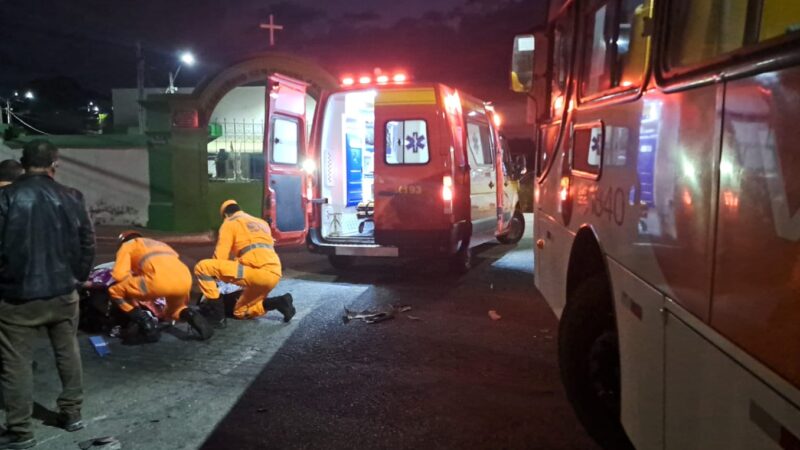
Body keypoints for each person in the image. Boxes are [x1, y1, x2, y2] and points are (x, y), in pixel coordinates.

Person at [0, 139, 95, 449]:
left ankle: (21, 430)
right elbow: (87, 244)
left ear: (24, 163)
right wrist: (76, 279)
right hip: (64, 293)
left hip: (17, 296)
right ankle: (72, 414)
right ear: (55, 163)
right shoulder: (72, 197)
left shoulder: (7, 198)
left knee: (16, 363)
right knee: (68, 352)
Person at [194, 200, 294, 327]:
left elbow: (220, 257)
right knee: (239, 312)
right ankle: (279, 302)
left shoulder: (229, 223)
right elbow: (257, 250)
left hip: (256, 273)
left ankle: (216, 316)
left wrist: (215, 280)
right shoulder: (261, 223)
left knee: (203, 267)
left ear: (225, 215)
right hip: (274, 274)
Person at [109, 231, 213, 342]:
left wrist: (131, 285)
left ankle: (146, 324)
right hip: (184, 278)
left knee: (115, 291)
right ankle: (190, 313)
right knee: (175, 310)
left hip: (158, 281)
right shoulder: (157, 244)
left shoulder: (127, 246)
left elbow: (119, 275)